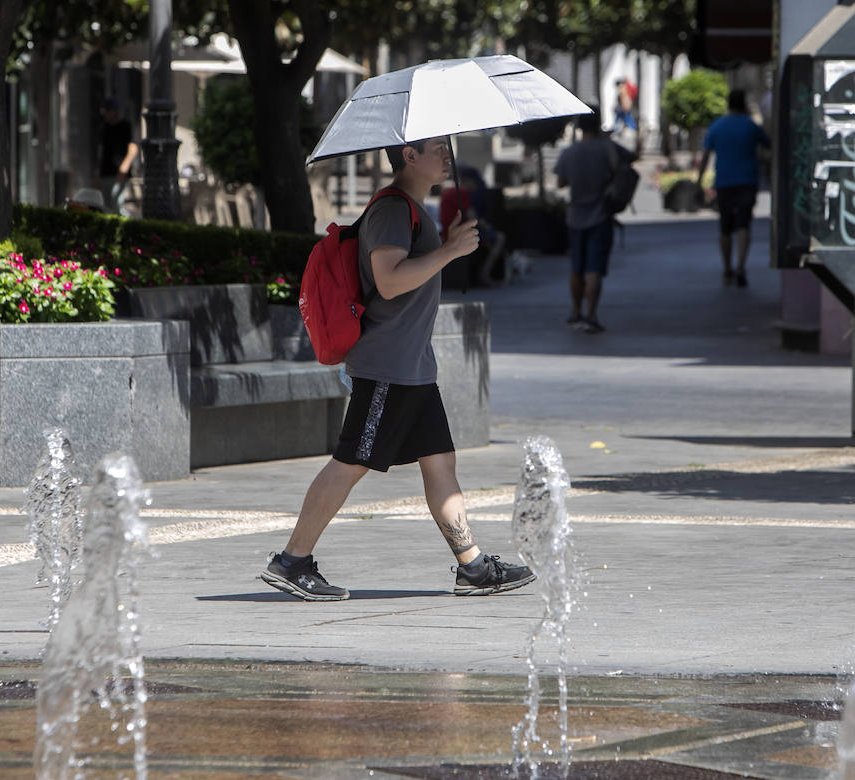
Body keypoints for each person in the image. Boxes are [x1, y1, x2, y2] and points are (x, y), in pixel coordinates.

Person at [260, 137, 536, 601]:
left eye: (447, 146)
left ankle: (471, 567)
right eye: (435, 147)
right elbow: (388, 282)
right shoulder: (391, 209)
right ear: (409, 156)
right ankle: (291, 562)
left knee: (440, 462)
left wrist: (448, 244)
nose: (447, 154)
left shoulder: (413, 208)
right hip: (387, 366)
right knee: (351, 462)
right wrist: (448, 251)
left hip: (412, 367)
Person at [555, 111, 631, 333]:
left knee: (576, 268)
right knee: (594, 269)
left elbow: (560, 182)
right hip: (600, 215)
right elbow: (630, 159)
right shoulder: (607, 149)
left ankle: (575, 311)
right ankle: (591, 314)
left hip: (575, 216)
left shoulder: (570, 152)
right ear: (598, 125)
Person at [697, 89, 770, 287]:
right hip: (747, 181)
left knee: (725, 227)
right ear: (744, 104)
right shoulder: (750, 126)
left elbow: (706, 155)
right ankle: (740, 266)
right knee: (743, 225)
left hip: (724, 182)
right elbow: (768, 144)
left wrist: (699, 180)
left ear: (728, 104)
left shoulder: (718, 126)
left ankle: (727, 267)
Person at [439, 165, 507, 286]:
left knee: (487, 239)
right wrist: (488, 228)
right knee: (499, 238)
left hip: (450, 231)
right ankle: (485, 274)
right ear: (469, 181)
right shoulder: (462, 193)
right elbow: (473, 218)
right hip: (456, 233)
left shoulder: (450, 191)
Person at [98, 96, 138, 209]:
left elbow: (133, 148)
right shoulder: (104, 128)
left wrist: (123, 169)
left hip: (119, 175)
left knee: (118, 205)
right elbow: (102, 152)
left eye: (107, 111)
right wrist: (98, 173)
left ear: (114, 111)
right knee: (106, 206)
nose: (105, 114)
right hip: (105, 173)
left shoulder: (125, 127)